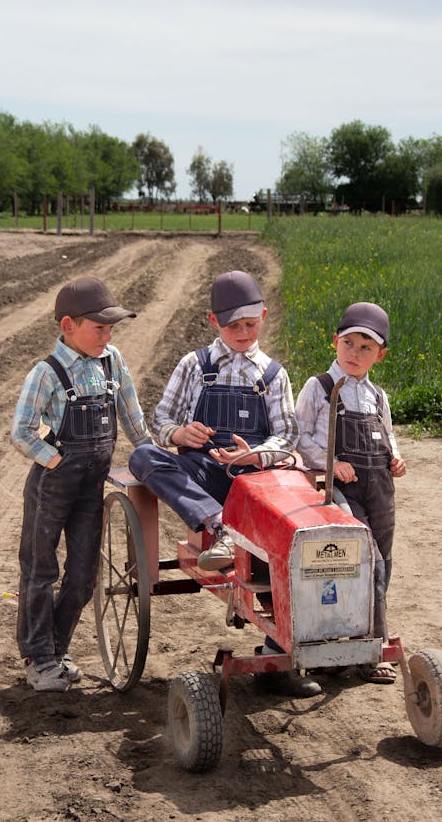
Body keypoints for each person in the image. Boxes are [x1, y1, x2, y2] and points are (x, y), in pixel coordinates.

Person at [129, 269, 321, 697]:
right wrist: (180, 435)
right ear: (213, 321)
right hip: (204, 476)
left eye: (251, 324)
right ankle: (216, 526)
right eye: (233, 325)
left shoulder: (273, 374)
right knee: (143, 456)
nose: (243, 332)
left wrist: (253, 455)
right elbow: (160, 420)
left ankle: (277, 658)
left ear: (264, 317)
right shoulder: (194, 366)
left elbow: (286, 434)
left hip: (255, 480)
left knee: (279, 559)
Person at [11, 276, 151, 692]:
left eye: (111, 329)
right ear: (68, 325)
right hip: (51, 488)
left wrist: (149, 454)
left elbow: (131, 415)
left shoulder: (112, 362)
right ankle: (38, 658)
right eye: (99, 328)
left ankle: (56, 647)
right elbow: (21, 431)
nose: (107, 337)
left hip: (92, 487)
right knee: (40, 570)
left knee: (84, 573)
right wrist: (54, 460)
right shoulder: (46, 373)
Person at [295, 302, 406, 684]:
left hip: (381, 487)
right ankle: (371, 648)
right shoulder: (320, 387)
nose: (355, 354)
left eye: (366, 347)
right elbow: (301, 436)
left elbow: (388, 435)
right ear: (334, 342)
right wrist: (330, 463)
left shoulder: (378, 394)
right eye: (349, 343)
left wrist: (396, 458)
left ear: (380, 354)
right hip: (345, 488)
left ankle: (367, 634)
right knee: (364, 559)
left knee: (384, 561)